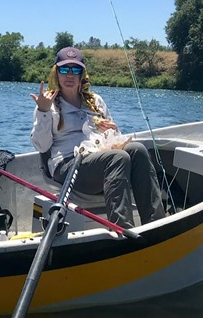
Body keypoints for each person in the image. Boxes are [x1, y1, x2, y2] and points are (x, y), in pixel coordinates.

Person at [30, 46, 166, 228]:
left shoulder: (96, 102)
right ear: (56, 73)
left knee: (138, 150)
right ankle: (121, 228)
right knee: (118, 158)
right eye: (64, 69)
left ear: (82, 74)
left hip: (99, 156)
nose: (69, 75)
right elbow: (41, 146)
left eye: (75, 69)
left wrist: (109, 130)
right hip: (68, 166)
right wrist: (43, 111)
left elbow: (114, 139)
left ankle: (155, 223)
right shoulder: (48, 104)